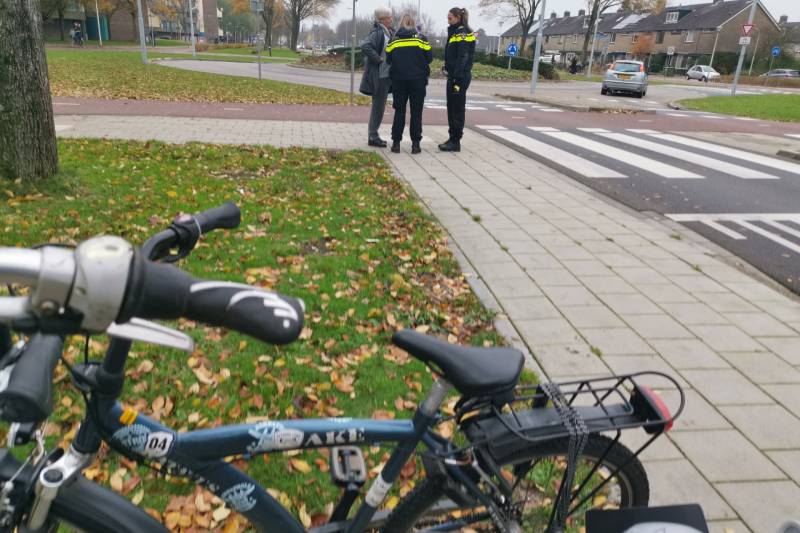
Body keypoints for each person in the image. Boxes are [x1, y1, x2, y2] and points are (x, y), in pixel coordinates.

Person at [386, 13, 433, 155]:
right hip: (418, 80)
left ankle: (396, 144)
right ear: (413, 24)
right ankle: (416, 145)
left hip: (399, 80)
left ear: (400, 24)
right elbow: (429, 58)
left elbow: (388, 60)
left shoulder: (393, 40)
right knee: (416, 112)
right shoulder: (421, 39)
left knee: (399, 111)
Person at [439, 7, 475, 153]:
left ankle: (455, 141)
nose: (448, 21)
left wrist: (456, 76)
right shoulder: (456, 32)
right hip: (454, 76)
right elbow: (455, 55)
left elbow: (464, 56)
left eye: (450, 18)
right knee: (452, 106)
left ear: (457, 18)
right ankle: (452, 137)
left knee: (457, 108)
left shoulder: (462, 33)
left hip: (459, 78)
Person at [360, 7, 394, 148]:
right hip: (380, 76)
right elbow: (365, 46)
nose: (391, 19)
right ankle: (373, 136)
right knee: (378, 108)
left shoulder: (387, 32)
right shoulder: (378, 32)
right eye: (389, 17)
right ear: (383, 19)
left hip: (385, 76)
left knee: (379, 107)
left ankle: (374, 135)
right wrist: (378, 59)